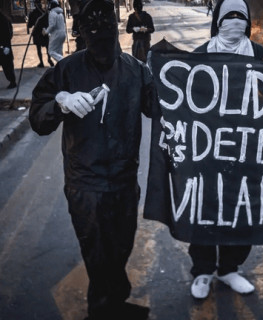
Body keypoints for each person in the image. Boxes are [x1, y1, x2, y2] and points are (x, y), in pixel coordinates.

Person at [29, 0, 158, 318]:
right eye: (93, 31)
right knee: (98, 255)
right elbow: (38, 118)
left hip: (125, 182)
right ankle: (104, 310)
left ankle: (114, 302)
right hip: (86, 185)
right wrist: (61, 101)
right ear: (83, 34)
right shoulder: (68, 70)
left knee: (120, 249)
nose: (102, 40)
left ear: (116, 30)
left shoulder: (135, 70)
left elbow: (159, 106)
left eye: (107, 30)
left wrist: (172, 74)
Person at [188, 0, 263, 300]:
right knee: (205, 208)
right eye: (229, 16)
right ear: (217, 21)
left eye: (241, 17)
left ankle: (229, 268)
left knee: (240, 210)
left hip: (246, 150)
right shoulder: (199, 56)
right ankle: (202, 269)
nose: (235, 22)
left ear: (249, 22)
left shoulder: (259, 54)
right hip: (208, 151)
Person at [28, 0, 54, 68]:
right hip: (44, 32)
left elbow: (29, 25)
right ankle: (49, 59)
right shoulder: (45, 12)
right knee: (47, 47)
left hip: (37, 33)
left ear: (35, 4)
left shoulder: (32, 13)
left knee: (39, 48)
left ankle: (42, 62)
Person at [0, 10, 16, 89]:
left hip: (4, 47)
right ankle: (12, 81)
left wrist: (6, 46)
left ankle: (12, 81)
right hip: (4, 46)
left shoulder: (3, 20)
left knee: (7, 66)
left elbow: (8, 33)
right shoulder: (5, 19)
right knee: (8, 66)